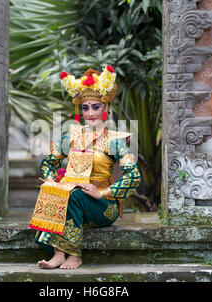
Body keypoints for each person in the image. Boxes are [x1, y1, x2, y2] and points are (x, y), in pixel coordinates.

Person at [30, 65, 141, 269]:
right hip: (74, 198)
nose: (90, 113)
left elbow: (133, 177)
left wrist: (103, 192)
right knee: (54, 191)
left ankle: (74, 254)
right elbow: (49, 163)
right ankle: (58, 254)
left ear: (105, 108)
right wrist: (51, 179)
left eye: (95, 107)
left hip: (104, 207)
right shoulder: (71, 136)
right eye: (85, 107)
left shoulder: (114, 140)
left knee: (76, 196)